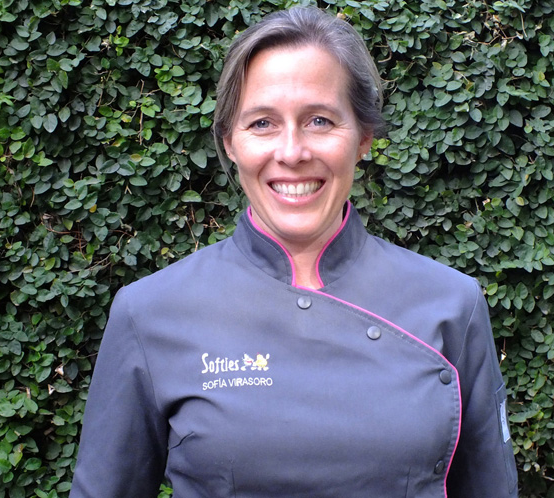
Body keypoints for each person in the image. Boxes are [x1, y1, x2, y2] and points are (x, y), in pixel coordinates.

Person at [71, 6, 517, 497]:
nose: (291, 152)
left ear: (363, 137)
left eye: (319, 120)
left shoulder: (452, 303)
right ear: (230, 142)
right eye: (262, 123)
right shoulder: (149, 312)